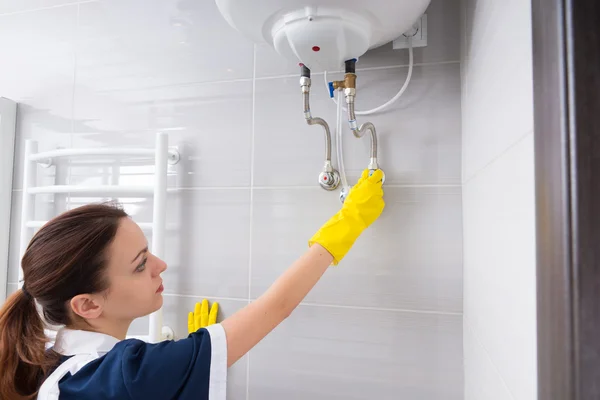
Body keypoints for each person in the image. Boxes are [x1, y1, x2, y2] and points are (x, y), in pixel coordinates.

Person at [0, 169, 384, 400]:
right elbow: (276, 307)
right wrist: (346, 225)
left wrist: (179, 365)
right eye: (139, 265)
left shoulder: (48, 360)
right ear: (87, 305)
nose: (160, 265)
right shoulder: (130, 374)